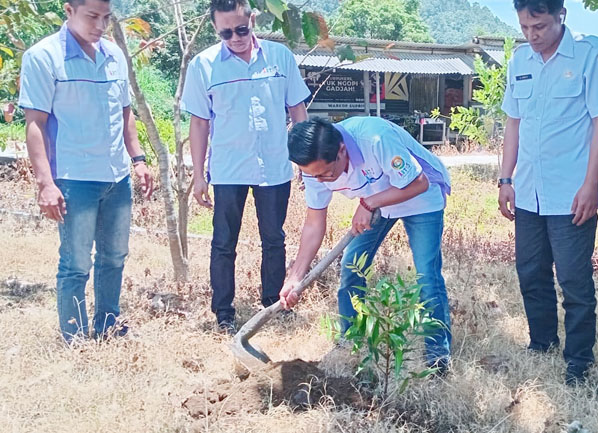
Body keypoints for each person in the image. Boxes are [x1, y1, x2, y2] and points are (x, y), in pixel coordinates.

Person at [497, 0, 598, 385]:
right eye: (525, 27)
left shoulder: (591, 53)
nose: (532, 35)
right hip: (529, 191)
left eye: (540, 26)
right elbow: (513, 124)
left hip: (572, 193)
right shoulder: (520, 60)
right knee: (530, 271)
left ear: (560, 17)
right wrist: (506, 179)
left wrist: (591, 185)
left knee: (573, 279)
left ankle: (579, 359)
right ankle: (542, 342)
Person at [18, 0, 154, 342]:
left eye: (106, 17)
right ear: (69, 10)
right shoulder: (44, 56)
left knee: (115, 256)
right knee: (76, 263)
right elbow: (35, 123)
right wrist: (45, 183)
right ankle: (75, 339)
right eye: (92, 16)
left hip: (116, 176)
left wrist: (137, 160)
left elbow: (125, 113)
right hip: (74, 177)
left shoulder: (114, 55)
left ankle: (108, 327)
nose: (100, 25)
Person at [279, 117, 453, 372]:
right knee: (352, 265)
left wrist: (369, 203)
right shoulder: (315, 171)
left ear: (341, 150)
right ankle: (351, 342)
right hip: (378, 200)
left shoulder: (375, 138)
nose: (323, 180)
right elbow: (314, 224)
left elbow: (419, 182)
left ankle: (437, 357)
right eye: (315, 175)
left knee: (426, 274)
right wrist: (295, 276)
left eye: (327, 173)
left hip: (420, 197)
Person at [181, 0, 309, 333]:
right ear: (215, 29)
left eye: (242, 29)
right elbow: (199, 123)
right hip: (227, 168)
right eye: (227, 32)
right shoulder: (203, 65)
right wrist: (198, 175)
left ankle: (273, 304)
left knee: (274, 239)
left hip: (274, 167)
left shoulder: (280, 58)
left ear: (253, 20)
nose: (236, 37)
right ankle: (224, 312)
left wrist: (305, 159)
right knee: (223, 242)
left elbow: (297, 111)